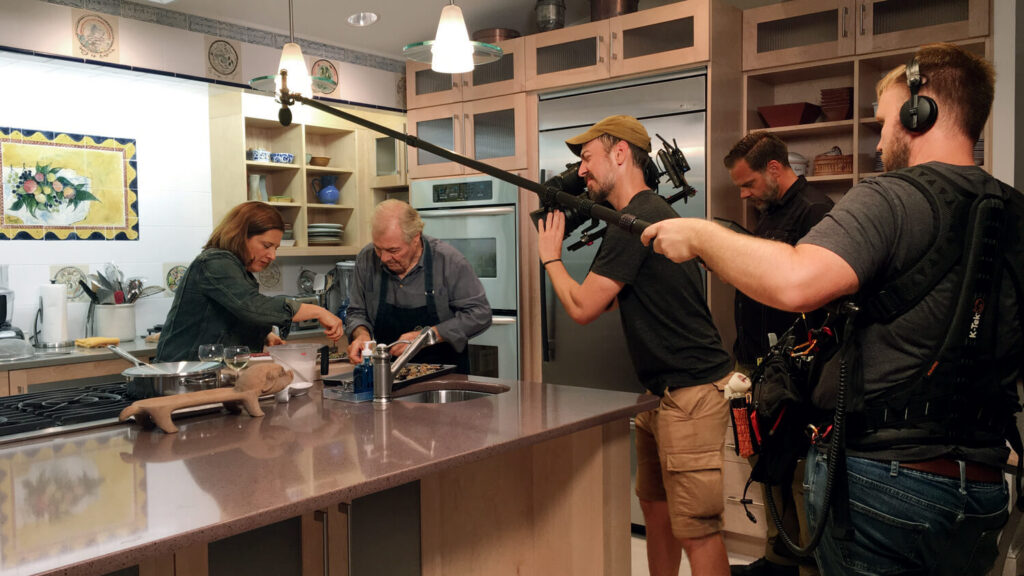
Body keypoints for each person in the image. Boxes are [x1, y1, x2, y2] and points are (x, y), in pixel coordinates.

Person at [641, 43, 1022, 576]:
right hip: (983, 490)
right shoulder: (1014, 211)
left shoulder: (890, 197)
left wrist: (699, 234)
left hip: (885, 485)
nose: (880, 134)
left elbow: (795, 282)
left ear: (920, 111)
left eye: (885, 119)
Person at [536, 115, 734, 576]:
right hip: (657, 395)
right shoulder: (631, 220)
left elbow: (583, 308)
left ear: (620, 153)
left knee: (696, 530)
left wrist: (550, 256)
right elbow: (604, 302)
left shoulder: (640, 217)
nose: (581, 171)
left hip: (692, 395)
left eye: (587, 158)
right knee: (657, 513)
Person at [724, 133, 832, 576]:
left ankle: (805, 564)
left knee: (794, 471)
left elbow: (817, 295)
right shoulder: (767, 215)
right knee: (760, 460)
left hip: (794, 372)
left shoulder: (816, 211)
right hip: (750, 367)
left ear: (774, 169)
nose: (745, 195)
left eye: (748, 184)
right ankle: (776, 558)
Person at [157, 201, 344, 362]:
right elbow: (251, 305)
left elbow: (231, 314)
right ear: (240, 235)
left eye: (276, 248)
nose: (272, 256)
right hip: (181, 381)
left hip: (202, 380)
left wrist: (263, 334)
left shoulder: (235, 268)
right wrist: (318, 311)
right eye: (266, 245)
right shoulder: (215, 262)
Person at [345, 199, 491, 373]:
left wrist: (427, 337)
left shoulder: (448, 261)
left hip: (445, 380)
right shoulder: (367, 258)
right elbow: (357, 312)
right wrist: (361, 335)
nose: (383, 258)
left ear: (416, 238)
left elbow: (480, 315)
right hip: (389, 375)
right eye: (378, 248)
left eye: (393, 251)